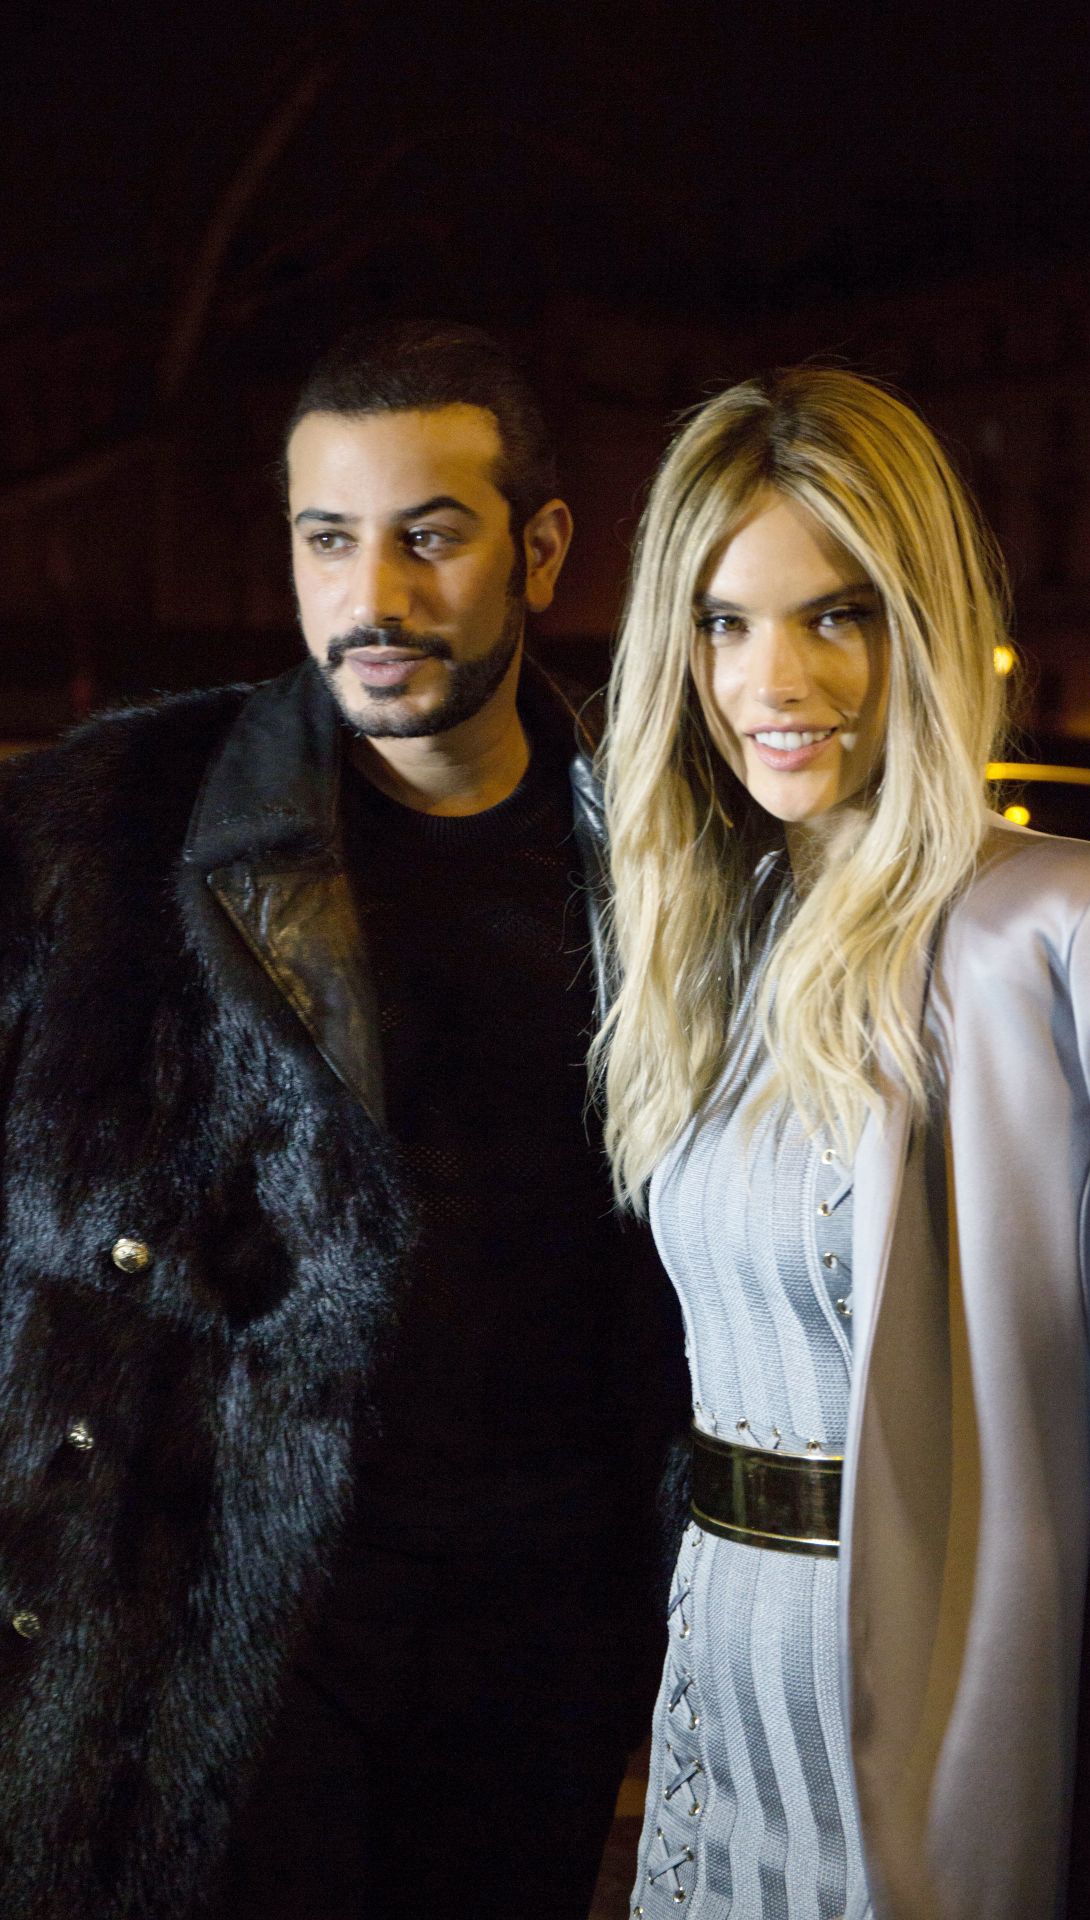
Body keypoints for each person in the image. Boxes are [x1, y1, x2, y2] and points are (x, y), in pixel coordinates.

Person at [0, 321, 682, 1920]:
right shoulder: (106, 826)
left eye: (430, 537)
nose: (373, 596)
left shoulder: (666, 861)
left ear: (542, 549)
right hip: (217, 1601)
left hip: (540, 1611)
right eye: (329, 538)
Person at [594, 367, 1090, 1919]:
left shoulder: (1079, 926)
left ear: (925, 623)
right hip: (719, 1665)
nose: (774, 679)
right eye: (724, 622)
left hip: (933, 1701)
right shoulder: (699, 944)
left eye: (838, 615)